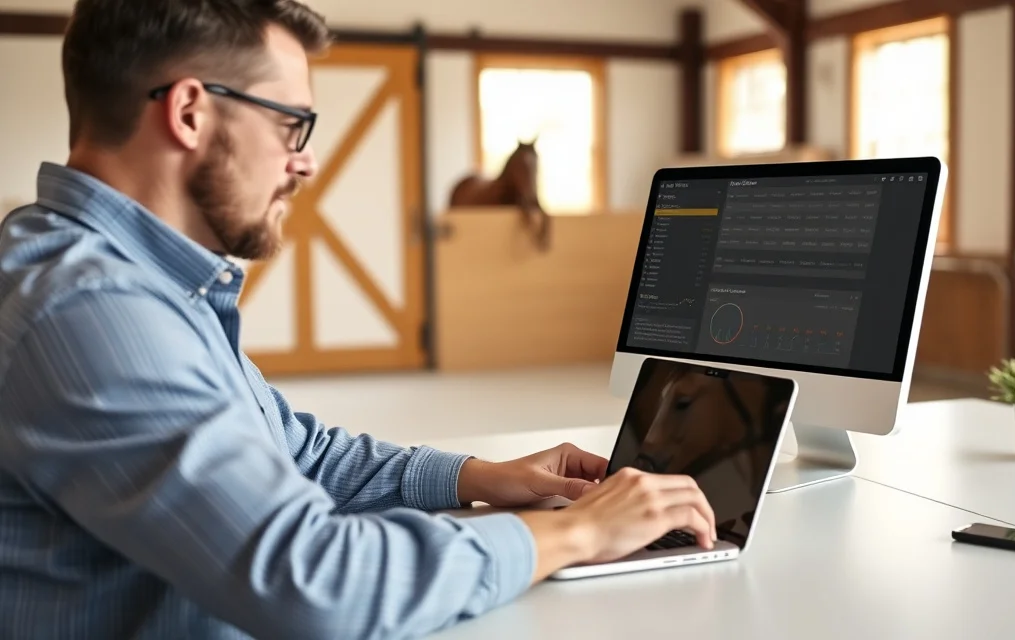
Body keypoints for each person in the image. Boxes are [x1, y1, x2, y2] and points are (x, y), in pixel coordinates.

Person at [0, 1, 718, 638]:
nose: (305, 162)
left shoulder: (136, 281)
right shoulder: (91, 311)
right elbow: (312, 583)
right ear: (190, 112)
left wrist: (479, 476)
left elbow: (291, 453)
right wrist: (574, 534)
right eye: (291, 124)